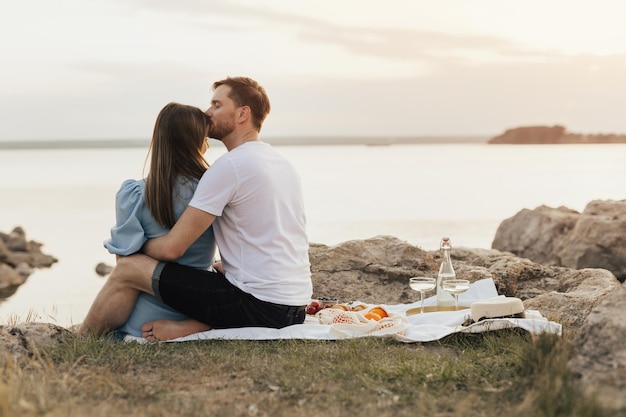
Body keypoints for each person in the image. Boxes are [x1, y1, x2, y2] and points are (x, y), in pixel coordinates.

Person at [78, 76, 312, 341]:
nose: (207, 113)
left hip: (259, 306)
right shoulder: (281, 164)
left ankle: (81, 339)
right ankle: (196, 325)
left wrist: (134, 248)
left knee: (129, 269)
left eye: (216, 105)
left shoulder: (229, 166)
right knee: (212, 271)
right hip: (295, 306)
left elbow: (171, 249)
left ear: (243, 113)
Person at [96, 102, 217, 339]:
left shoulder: (134, 195)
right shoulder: (211, 190)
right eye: (204, 137)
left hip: (141, 322)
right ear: (194, 142)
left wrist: (143, 247)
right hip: (197, 306)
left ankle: (82, 336)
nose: (208, 143)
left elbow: (125, 263)